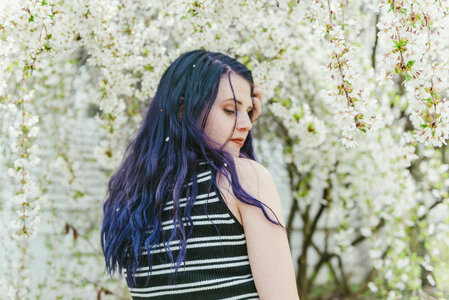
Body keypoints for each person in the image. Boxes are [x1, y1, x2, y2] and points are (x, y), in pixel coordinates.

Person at [101, 49, 300, 299]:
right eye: (230, 110)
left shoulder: (131, 198)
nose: (247, 124)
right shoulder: (244, 180)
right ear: (184, 110)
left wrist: (234, 128)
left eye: (248, 112)